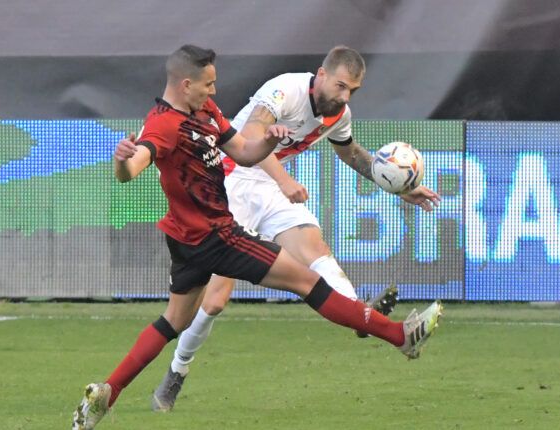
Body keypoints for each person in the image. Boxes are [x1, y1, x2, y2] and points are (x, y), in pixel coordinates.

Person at [72, 44, 443, 430]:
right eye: (209, 84)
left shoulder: (211, 112)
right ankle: (392, 333)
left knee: (303, 260)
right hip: (225, 210)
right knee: (235, 298)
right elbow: (149, 163)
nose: (216, 92)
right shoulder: (280, 92)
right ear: (321, 75)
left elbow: (267, 148)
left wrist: (398, 188)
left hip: (208, 221)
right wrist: (122, 160)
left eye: (353, 91)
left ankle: (106, 393)